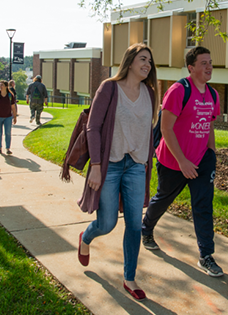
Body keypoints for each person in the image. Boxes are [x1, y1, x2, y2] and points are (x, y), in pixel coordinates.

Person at [77, 43, 159, 301]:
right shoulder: (109, 87)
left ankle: (129, 277)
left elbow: (149, 131)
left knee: (135, 224)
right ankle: (86, 236)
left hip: (136, 166)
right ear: (130, 61)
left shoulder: (150, 93)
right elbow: (93, 127)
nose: (147, 64)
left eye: (150, 61)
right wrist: (97, 167)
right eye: (142, 59)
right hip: (110, 165)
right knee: (107, 223)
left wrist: (147, 161)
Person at [141, 46, 223, 277]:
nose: (209, 67)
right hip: (172, 160)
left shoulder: (213, 94)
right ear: (191, 67)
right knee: (164, 198)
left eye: (210, 62)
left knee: (203, 205)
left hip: (201, 160)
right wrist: (183, 162)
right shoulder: (178, 90)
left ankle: (206, 255)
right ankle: (146, 228)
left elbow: (208, 126)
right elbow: (166, 128)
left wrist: (211, 154)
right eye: (204, 63)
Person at [0, 80, 17, 155]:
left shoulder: (10, 95)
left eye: (2, 85)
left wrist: (14, 117)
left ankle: (8, 148)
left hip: (8, 117)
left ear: (6, 86)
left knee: (8, 133)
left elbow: (13, 107)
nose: (0, 87)